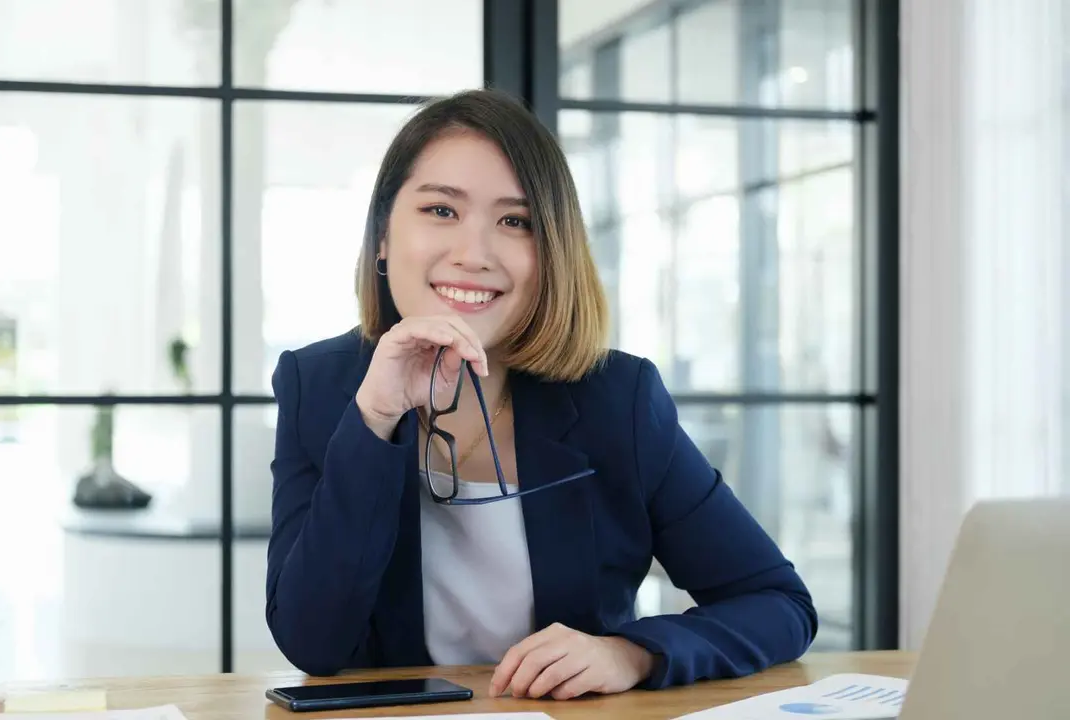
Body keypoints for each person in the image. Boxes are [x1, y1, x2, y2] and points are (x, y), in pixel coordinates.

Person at [264, 88, 816, 700]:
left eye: (514, 221)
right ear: (384, 238)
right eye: (441, 211)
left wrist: (631, 654)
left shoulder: (618, 398)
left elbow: (776, 602)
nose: (473, 254)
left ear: (549, 252)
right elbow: (312, 641)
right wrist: (376, 418)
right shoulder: (318, 385)